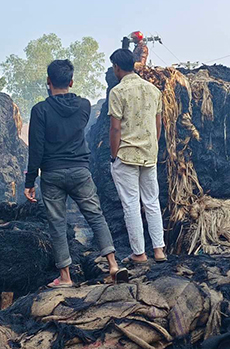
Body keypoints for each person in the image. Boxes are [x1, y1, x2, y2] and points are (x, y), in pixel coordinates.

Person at [25, 60, 127, 288]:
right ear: (71, 82)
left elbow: (36, 148)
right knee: (96, 216)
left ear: (48, 82)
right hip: (81, 171)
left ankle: (65, 277)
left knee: (57, 224)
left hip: (52, 174)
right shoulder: (83, 106)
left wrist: (30, 180)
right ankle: (113, 265)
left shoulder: (39, 110)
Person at [108, 49, 166, 264]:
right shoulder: (153, 90)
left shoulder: (118, 92)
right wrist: (153, 146)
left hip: (126, 155)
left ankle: (139, 253)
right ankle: (159, 250)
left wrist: (114, 156)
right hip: (149, 155)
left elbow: (115, 129)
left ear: (116, 67)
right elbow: (158, 124)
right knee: (152, 202)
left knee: (131, 204)